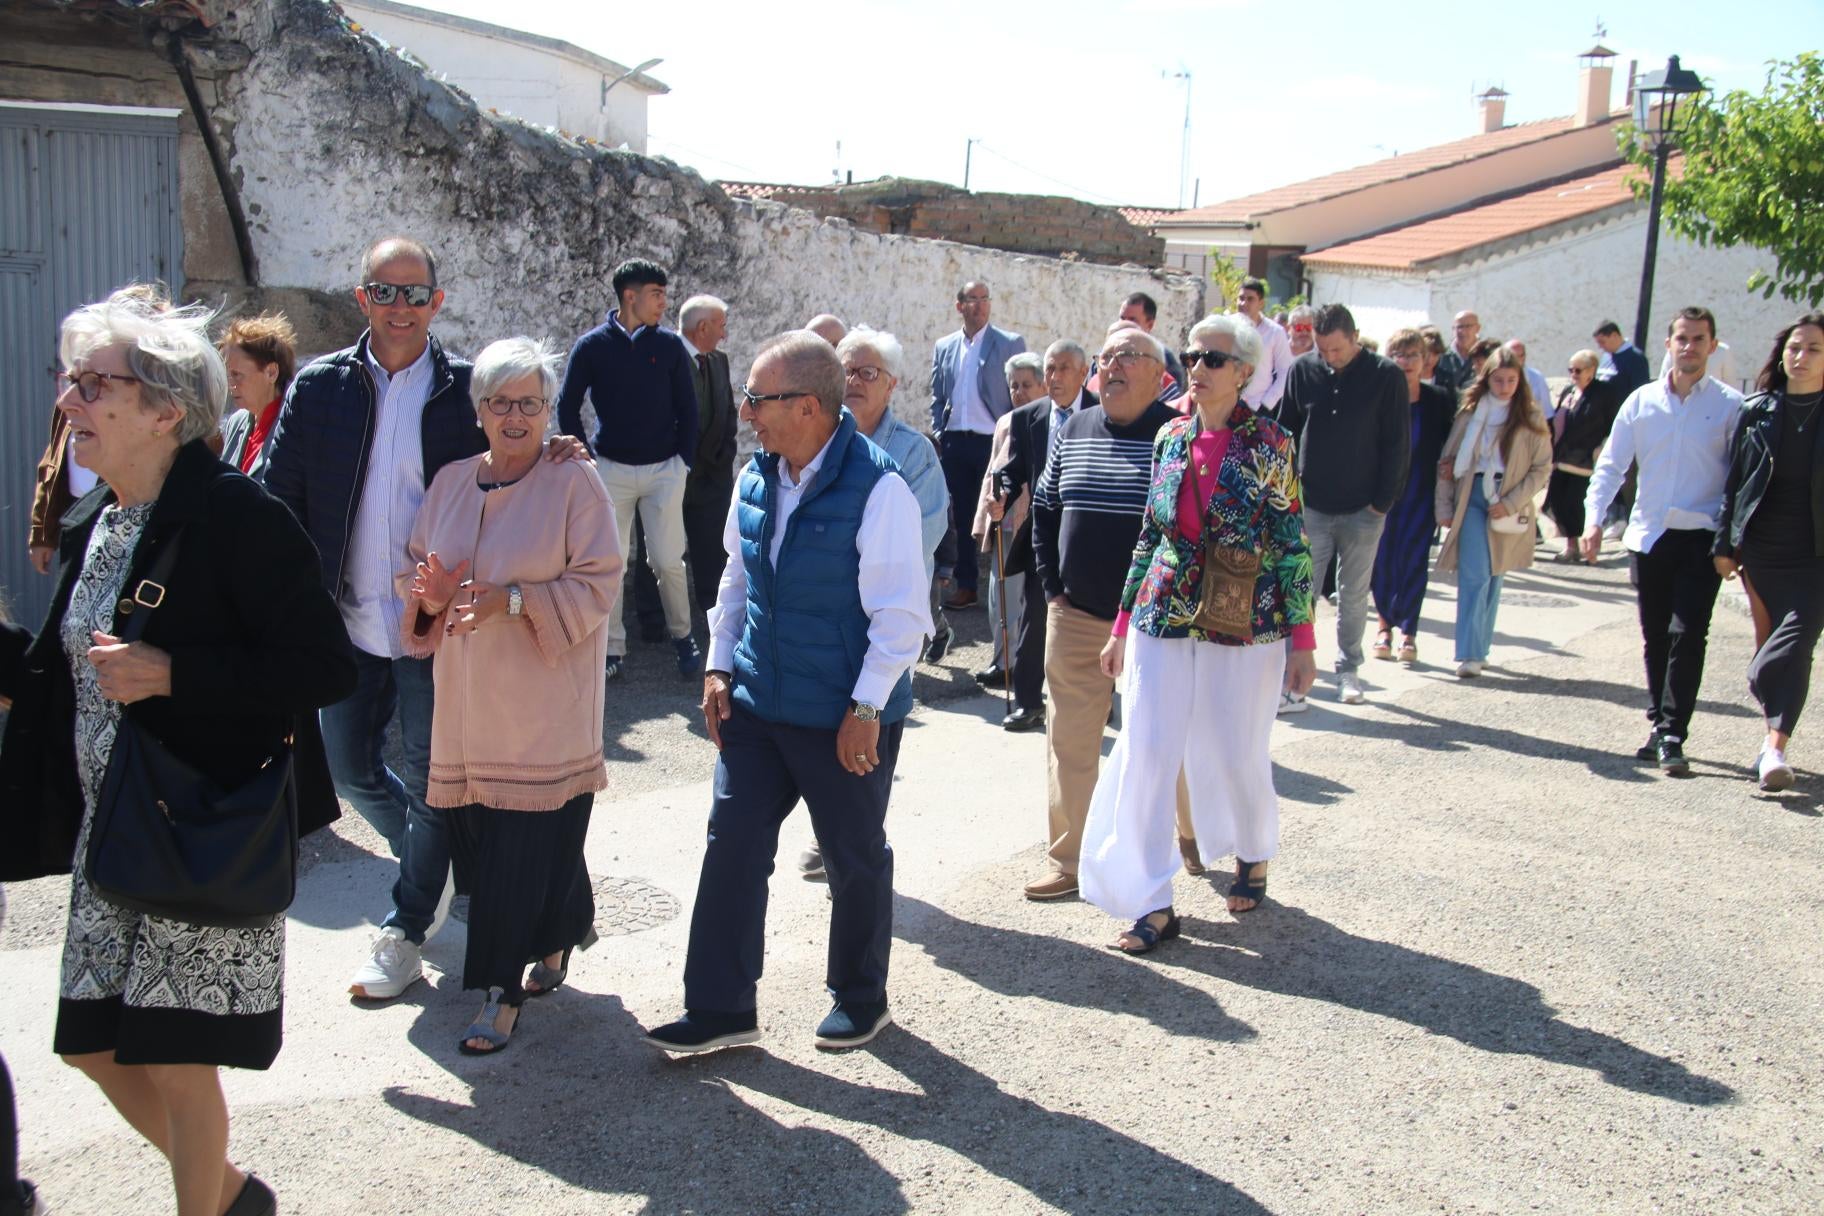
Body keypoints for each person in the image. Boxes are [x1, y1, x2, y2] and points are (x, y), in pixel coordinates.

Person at [0, 295, 356, 1216]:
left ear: (166, 410)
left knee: (173, 1054)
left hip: (200, 818)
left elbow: (321, 666)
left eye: (93, 385)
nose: (70, 401)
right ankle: (230, 1192)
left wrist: (173, 675)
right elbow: (54, 672)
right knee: (91, 1044)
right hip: (111, 830)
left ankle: (206, 1204)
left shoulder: (241, 516)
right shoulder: (102, 523)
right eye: (71, 382)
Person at [263, 237, 585, 1000]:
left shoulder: (467, 389)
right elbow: (281, 501)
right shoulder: (320, 388)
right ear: (362, 298)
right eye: (385, 291)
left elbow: (519, 451)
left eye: (415, 294)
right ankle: (442, 870)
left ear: (438, 302)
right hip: (343, 623)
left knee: (431, 780)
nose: (400, 307)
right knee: (349, 771)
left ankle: (405, 926)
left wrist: (561, 447)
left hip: (435, 626)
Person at [644, 331, 930, 1054]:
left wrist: (866, 708)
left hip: (843, 714)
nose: (745, 413)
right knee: (731, 845)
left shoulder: (880, 487)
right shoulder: (757, 475)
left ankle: (861, 998)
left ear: (807, 407)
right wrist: (716, 667)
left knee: (852, 856)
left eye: (757, 400)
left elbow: (902, 617)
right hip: (759, 705)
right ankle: (720, 1009)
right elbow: (736, 581)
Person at [398, 337, 623, 1053]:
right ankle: (561, 931)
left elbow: (598, 581)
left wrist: (515, 602)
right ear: (479, 411)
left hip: (543, 709)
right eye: (500, 402)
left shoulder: (573, 483)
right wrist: (426, 597)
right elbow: (416, 573)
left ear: (548, 409)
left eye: (530, 402)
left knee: (517, 854)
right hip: (467, 712)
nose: (515, 415)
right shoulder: (452, 482)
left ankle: (499, 992)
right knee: (492, 846)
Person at [1079, 314, 1317, 952]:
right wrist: (1121, 627)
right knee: (1149, 755)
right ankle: (1154, 901)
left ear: (1244, 371)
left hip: (1246, 617)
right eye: (1193, 356)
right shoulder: (1169, 439)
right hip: (1164, 612)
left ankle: (1253, 849)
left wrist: (1303, 639)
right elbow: (1151, 537)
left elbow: (1292, 542)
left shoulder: (1271, 443)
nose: (1200, 367)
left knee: (1236, 750)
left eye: (1215, 358)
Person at [1026, 328, 1183, 900]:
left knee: (1162, 745)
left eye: (1128, 357)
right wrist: (1052, 589)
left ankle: (1185, 840)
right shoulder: (1075, 428)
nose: (1112, 366)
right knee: (1068, 742)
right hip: (1076, 614)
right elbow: (1044, 508)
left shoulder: (1176, 436)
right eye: (1107, 357)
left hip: (1154, 626)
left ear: (1160, 376)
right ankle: (1070, 862)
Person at [795, 327, 949, 883]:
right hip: (819, 620)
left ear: (892, 385)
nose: (856, 381)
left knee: (870, 727)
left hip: (885, 619)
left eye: (869, 373)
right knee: (821, 728)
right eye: (849, 370)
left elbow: (923, 536)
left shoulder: (913, 453)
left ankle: (855, 848)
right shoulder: (812, 437)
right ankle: (831, 834)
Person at [1583, 307, 1745, 775]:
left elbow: (1739, 478)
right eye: (1681, 338)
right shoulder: (1641, 402)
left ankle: (1674, 732)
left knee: (1687, 632)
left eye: (1698, 339)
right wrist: (1594, 519)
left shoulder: (1730, 406)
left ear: (1712, 347)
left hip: (1701, 536)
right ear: (1668, 343)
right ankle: (1658, 723)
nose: (1689, 347)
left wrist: (1733, 541)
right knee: (1656, 637)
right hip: (1650, 535)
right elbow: (1612, 464)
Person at [556, 258, 702, 680]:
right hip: (609, 471)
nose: (664, 303)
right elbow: (567, 405)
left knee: (668, 560)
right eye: (656, 294)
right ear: (629, 296)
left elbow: (688, 408)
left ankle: (683, 636)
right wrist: (584, 460)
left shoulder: (670, 346)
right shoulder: (592, 346)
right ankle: (611, 647)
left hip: (664, 471)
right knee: (611, 562)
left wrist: (683, 463)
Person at [1278, 303, 1411, 704]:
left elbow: (1397, 442)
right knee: (1301, 590)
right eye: (1323, 350)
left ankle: (1348, 670)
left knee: (1352, 594)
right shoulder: (1303, 370)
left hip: (1363, 509)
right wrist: (1286, 496)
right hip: (1312, 505)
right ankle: (1292, 676)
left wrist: (1382, 502)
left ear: (1355, 338)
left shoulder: (1386, 376)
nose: (1330, 358)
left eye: (1337, 349)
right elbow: (1286, 431)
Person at [1715, 314, 1824, 791]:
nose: (1800, 358)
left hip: (1817, 553)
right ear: (1781, 353)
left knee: (1793, 644)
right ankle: (1772, 749)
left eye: (1814, 350)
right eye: (1795, 348)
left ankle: (1773, 741)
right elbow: (1734, 482)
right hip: (1761, 548)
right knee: (1778, 649)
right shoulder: (1756, 410)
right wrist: (1724, 542)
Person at [28, 286, 172, 575]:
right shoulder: (74, 399)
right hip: (80, 515)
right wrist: (42, 531)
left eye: (99, 384)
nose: (69, 400)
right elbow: (52, 465)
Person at [1434, 348, 1553, 678]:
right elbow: (1447, 461)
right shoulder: (1471, 411)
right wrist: (1443, 507)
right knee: (1475, 572)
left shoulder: (1530, 415)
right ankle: (1469, 653)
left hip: (1507, 496)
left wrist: (1512, 501)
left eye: (1511, 380)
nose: (1504, 386)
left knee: (1495, 574)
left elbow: (1542, 468)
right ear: (1486, 379)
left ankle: (1481, 647)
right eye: (1498, 380)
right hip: (1471, 492)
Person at [995, 340, 1095, 733]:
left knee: (1090, 616)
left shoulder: (1103, 412)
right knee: (1035, 615)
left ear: (1084, 373)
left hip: (1091, 531)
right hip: (1044, 530)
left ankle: (1094, 697)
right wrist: (1001, 488)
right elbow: (1014, 468)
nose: (1054, 377)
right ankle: (1027, 701)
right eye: (1050, 369)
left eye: (1063, 369)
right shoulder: (1028, 417)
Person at [628, 294, 739, 626]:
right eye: (720, 326)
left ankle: (711, 611)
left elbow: (727, 411)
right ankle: (651, 617)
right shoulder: (656, 359)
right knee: (658, 550)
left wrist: (724, 456)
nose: (724, 334)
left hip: (711, 476)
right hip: (666, 473)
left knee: (711, 548)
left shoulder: (718, 361)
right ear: (702, 326)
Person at [929, 280, 1027, 609]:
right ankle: (967, 584)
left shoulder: (1009, 343)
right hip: (956, 440)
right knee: (961, 515)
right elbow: (937, 395)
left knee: (997, 511)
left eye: (985, 298)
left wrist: (1014, 441)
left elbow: (1019, 393)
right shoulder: (945, 346)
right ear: (959, 305)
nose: (981, 305)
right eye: (973, 299)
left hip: (993, 442)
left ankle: (1005, 587)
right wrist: (940, 433)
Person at [1370, 328, 1457, 666]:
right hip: (1383, 494)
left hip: (1421, 494)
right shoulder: (1379, 397)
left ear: (1426, 360)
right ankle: (1383, 627)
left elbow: (1450, 444)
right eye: (1399, 355)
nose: (1406, 362)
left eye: (1413, 355)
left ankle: (1409, 631)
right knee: (1382, 561)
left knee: (1414, 562)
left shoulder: (1438, 400)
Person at [970, 353, 1047, 701]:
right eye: (1014, 385)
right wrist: (983, 518)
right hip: (1005, 519)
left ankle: (1025, 664)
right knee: (1000, 598)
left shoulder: (1049, 419)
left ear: (1043, 385)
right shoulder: (1004, 422)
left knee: (1029, 601)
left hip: (1034, 521)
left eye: (1026, 385)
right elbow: (992, 473)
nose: (1019, 392)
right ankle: (1003, 661)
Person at [1546, 351, 1622, 563]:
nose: (1573, 374)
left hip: (1586, 460)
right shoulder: (1569, 391)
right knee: (1557, 501)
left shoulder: (1604, 393)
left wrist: (1603, 448)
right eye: (1570, 370)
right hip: (1562, 458)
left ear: (1592, 370)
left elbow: (1613, 423)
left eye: (1578, 370)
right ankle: (1572, 545)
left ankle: (1584, 548)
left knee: (1576, 504)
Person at [217, 312, 298, 480]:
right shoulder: (236, 423)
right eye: (227, 375)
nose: (230, 384)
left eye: (237, 374)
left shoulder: (296, 426)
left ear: (271, 372)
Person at [1234, 277, 1294, 414]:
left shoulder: (1275, 332)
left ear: (1261, 303)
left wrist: (1267, 403)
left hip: (1259, 406)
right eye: (1241, 298)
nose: (1244, 303)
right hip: (1228, 404)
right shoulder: (1227, 327)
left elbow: (1285, 371)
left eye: (1250, 299)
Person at [1118, 291, 1186, 399]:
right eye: (1122, 318)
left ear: (1149, 325)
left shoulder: (1164, 359)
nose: (1125, 325)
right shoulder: (1103, 357)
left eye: (1132, 320)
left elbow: (1173, 404)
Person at [1593, 320, 1652, 399]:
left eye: (1602, 342)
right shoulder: (1605, 356)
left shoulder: (1635, 358)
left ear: (1614, 335)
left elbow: (1640, 392)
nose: (1600, 347)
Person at [1503, 339, 1556, 423]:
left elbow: (1547, 413)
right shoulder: (1496, 378)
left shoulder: (1537, 378)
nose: (1518, 359)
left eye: (1521, 355)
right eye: (1513, 356)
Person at [1436, 311, 1482, 394]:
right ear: (1453, 329)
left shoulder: (1487, 355)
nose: (1462, 331)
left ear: (1478, 328)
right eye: (1459, 327)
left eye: (1468, 326)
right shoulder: (1441, 355)